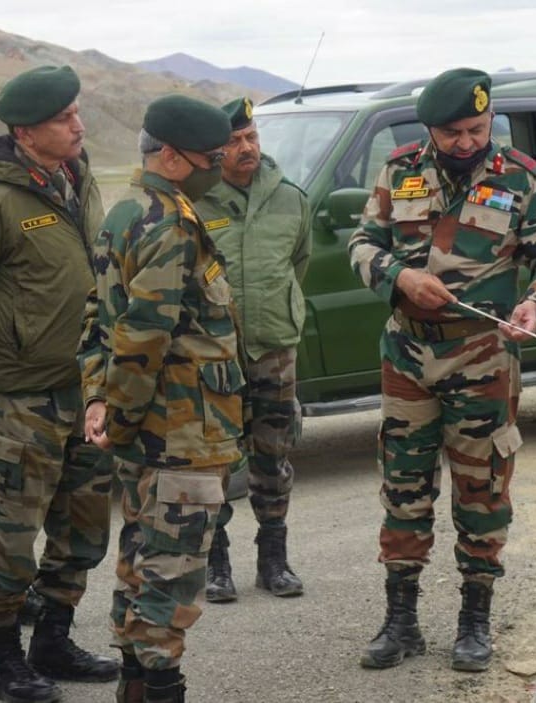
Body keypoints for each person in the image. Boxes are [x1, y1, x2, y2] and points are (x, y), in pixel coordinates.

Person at [348, 68, 536, 672]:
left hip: (483, 357)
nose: (468, 141)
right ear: (431, 129)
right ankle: (401, 619)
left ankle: (475, 618)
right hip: (407, 357)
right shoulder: (399, 171)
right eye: (454, 132)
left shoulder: (521, 178)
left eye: (478, 127)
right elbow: (362, 245)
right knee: (404, 485)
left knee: (483, 487)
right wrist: (399, 277)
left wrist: (535, 304)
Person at [0, 65, 117, 703]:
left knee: (84, 523)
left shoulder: (80, 177)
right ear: (25, 132)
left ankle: (55, 640)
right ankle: (1, 658)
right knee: (12, 531)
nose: (79, 126)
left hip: (89, 386)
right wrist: (9, 350)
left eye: (77, 113)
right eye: (64, 119)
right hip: (26, 395)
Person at [79, 93, 239, 703]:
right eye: (210, 157)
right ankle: (160, 688)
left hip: (151, 429)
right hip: (180, 432)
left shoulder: (125, 212)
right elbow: (142, 335)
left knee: (140, 562)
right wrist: (115, 410)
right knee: (169, 578)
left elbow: (97, 318)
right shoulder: (169, 224)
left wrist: (101, 401)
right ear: (171, 157)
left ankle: (135, 688)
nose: (218, 166)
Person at [194, 96, 311, 603]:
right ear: (214, 150)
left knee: (273, 454)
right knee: (216, 458)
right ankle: (215, 563)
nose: (245, 148)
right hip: (214, 354)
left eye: (251, 137)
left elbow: (297, 263)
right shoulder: (196, 201)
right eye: (233, 141)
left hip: (274, 350)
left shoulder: (290, 198)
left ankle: (274, 559)